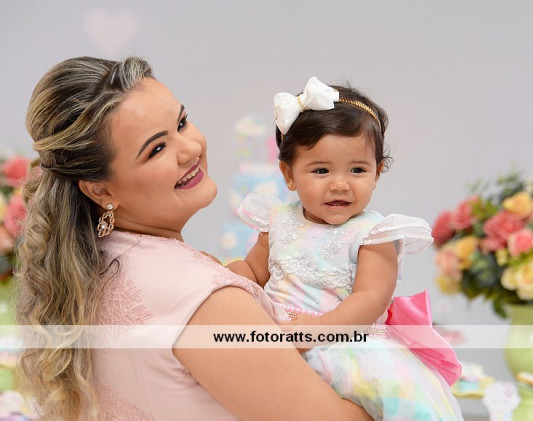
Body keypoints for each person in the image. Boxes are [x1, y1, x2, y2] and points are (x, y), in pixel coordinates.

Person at [16, 57, 374, 421]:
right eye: (156, 149)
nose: (190, 149)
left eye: (181, 123)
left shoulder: (88, 271)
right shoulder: (207, 298)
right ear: (101, 190)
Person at [228, 77, 464, 420]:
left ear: (376, 173)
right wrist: (225, 276)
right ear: (289, 174)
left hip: (347, 347)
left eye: (357, 170)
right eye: (321, 170)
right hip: (282, 337)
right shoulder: (277, 221)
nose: (340, 184)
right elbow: (253, 270)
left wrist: (320, 329)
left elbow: (370, 298)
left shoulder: (373, 234)